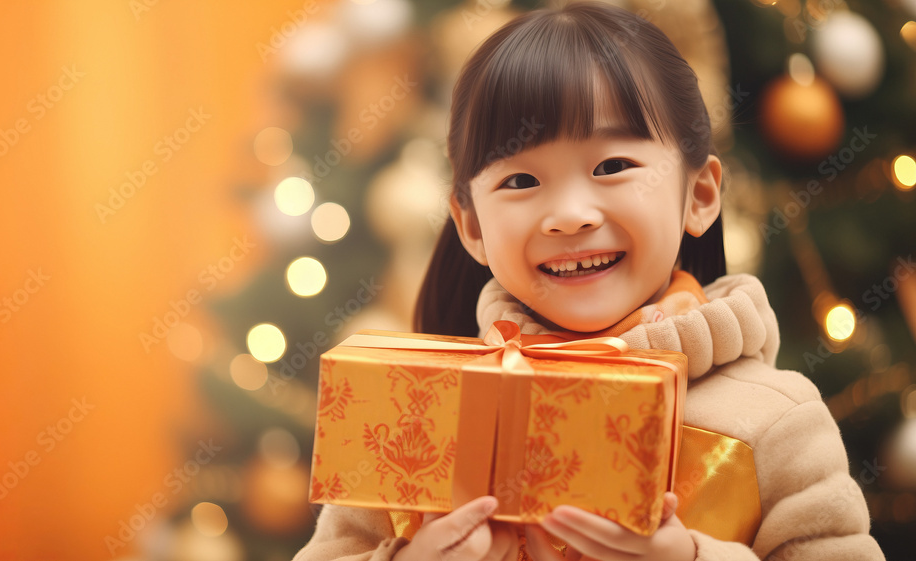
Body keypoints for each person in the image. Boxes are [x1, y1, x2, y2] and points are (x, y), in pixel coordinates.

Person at [293, 2, 886, 560]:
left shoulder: (776, 418)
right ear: (471, 225)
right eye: (521, 180)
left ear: (701, 194)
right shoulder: (419, 413)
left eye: (612, 167)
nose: (570, 214)